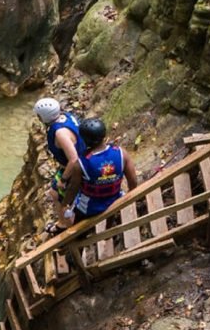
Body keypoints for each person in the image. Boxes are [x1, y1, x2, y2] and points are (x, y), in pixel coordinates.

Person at [61, 118, 138, 222]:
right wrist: (129, 197)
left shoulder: (81, 164)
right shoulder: (121, 153)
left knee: (78, 220)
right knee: (111, 210)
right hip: (115, 200)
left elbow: (73, 188)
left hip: (90, 208)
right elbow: (133, 181)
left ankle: (80, 236)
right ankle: (109, 227)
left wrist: (65, 204)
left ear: (85, 140)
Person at [34, 97, 86, 233]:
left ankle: (67, 227)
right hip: (75, 162)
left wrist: (63, 180)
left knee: (59, 196)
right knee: (53, 193)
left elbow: (73, 158)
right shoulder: (65, 116)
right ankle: (63, 222)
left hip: (75, 168)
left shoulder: (60, 133)